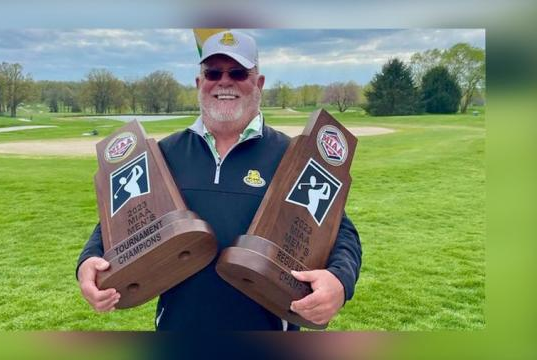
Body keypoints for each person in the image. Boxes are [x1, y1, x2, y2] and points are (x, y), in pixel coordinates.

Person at [76, 30, 362, 331]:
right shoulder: (164, 154)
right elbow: (115, 222)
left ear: (259, 83)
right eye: (213, 73)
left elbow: (340, 231)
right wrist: (87, 261)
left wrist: (340, 281)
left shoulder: (291, 157)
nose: (225, 82)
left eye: (238, 73)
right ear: (200, 83)